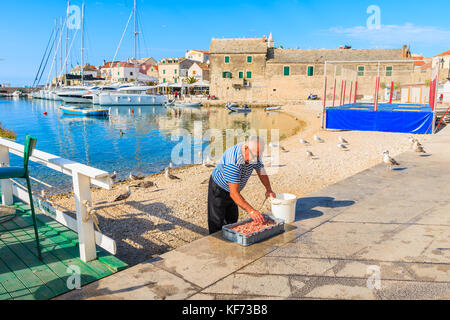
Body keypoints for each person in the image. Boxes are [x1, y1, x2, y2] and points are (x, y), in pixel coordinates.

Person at [207, 136, 276, 234]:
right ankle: (216, 244)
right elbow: (234, 194)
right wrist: (251, 211)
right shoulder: (234, 162)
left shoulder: (254, 154)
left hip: (234, 189)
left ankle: (230, 241)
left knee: (232, 219)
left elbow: (261, 171)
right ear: (246, 148)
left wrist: (268, 189)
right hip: (219, 188)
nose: (256, 159)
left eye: (258, 155)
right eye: (255, 155)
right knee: (217, 222)